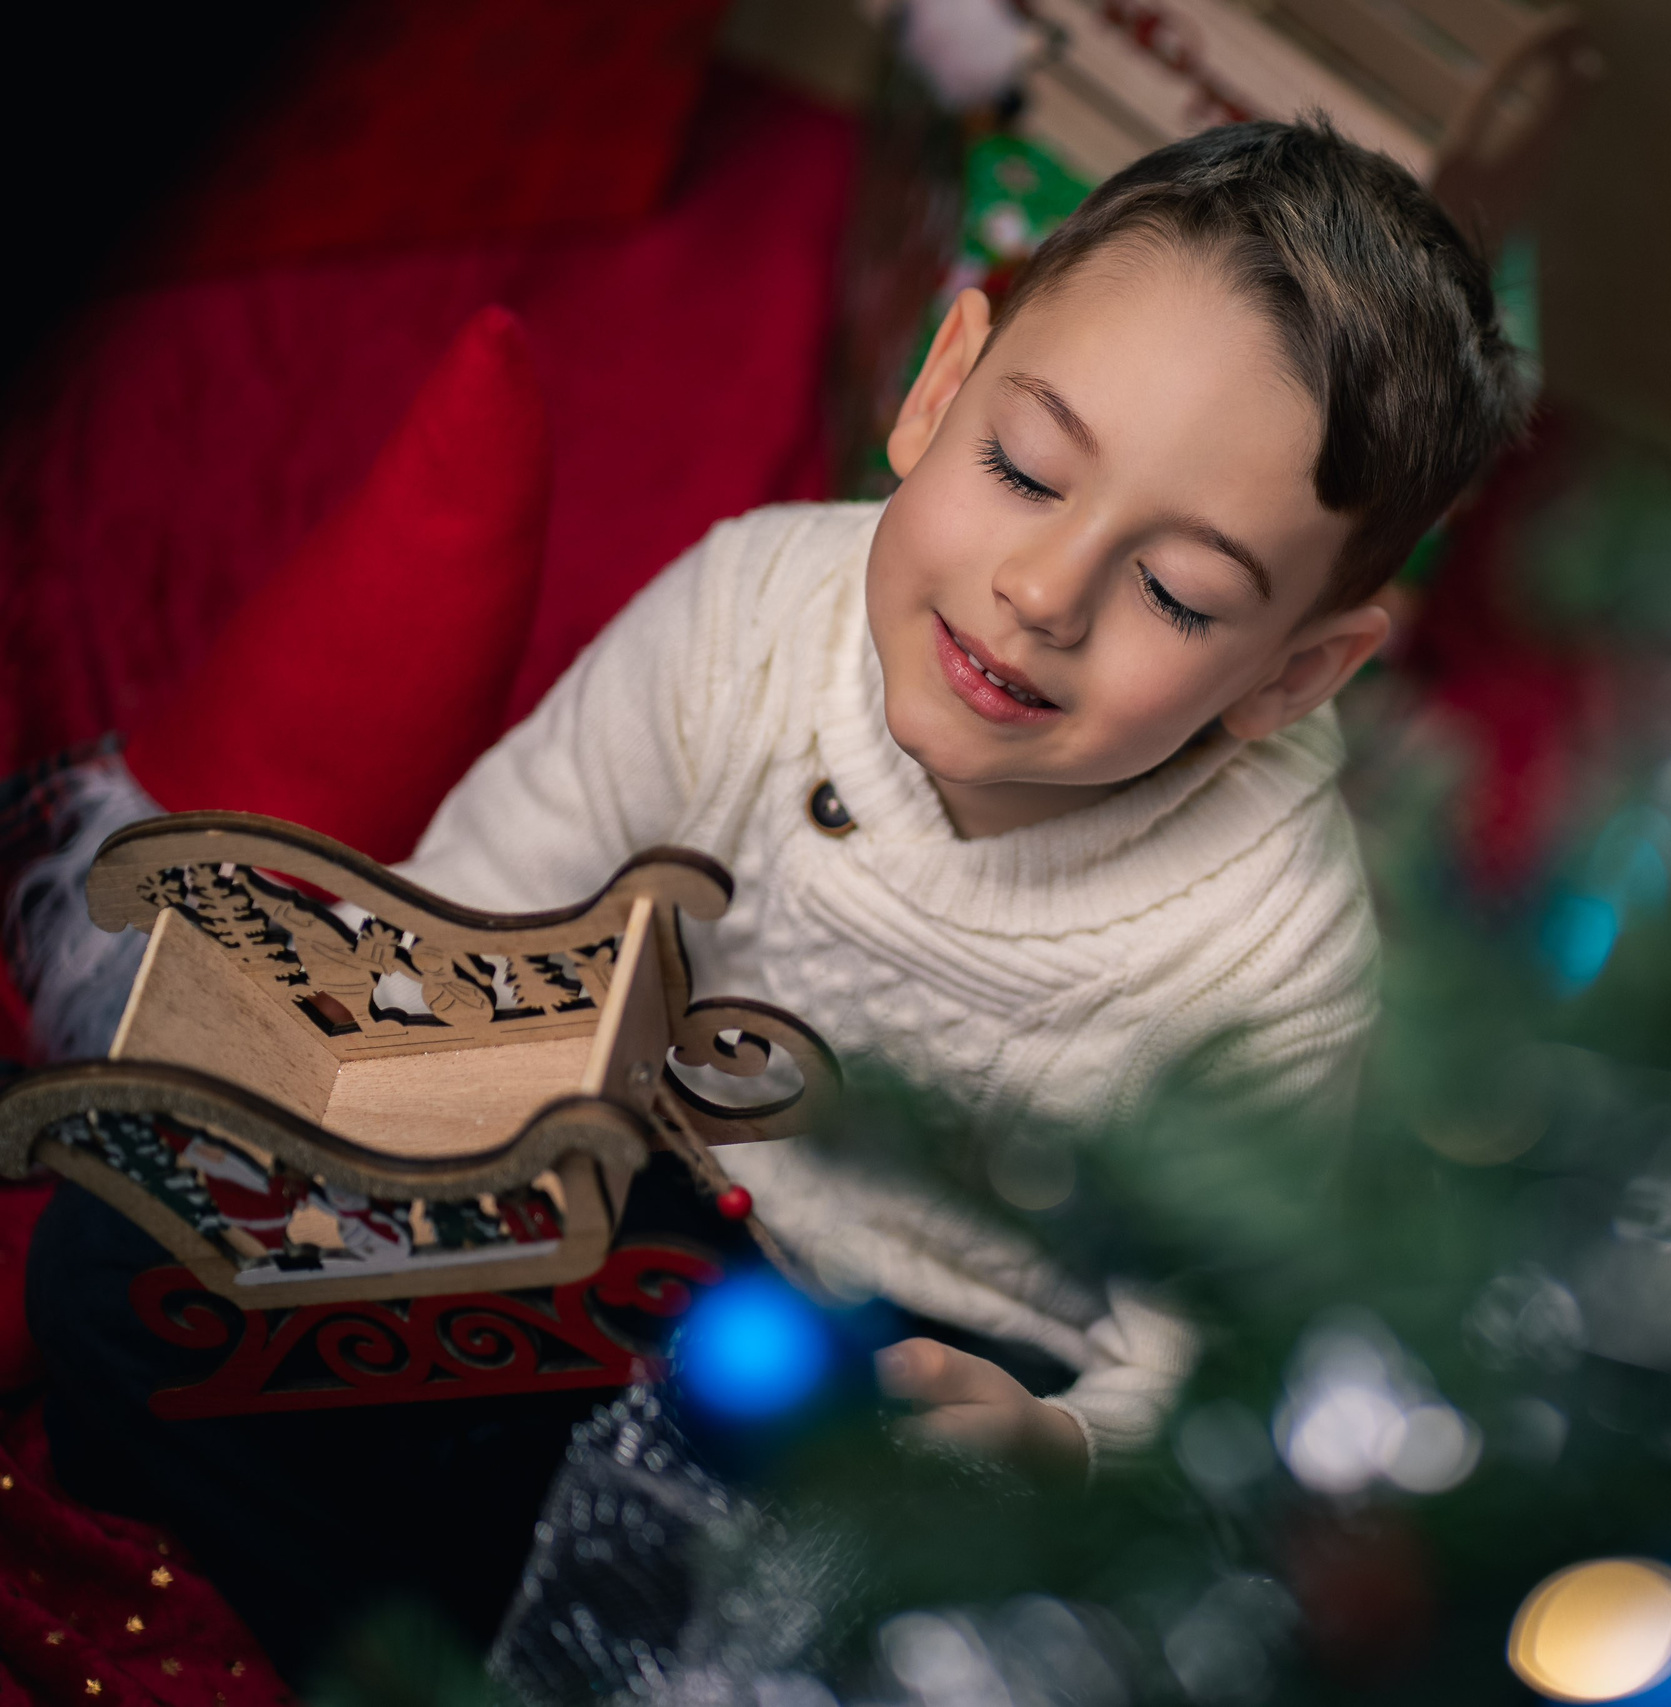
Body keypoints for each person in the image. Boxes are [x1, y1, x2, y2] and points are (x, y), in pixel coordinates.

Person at [17, 116, 1526, 1667]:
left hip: (904, 1393)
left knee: (929, 1624)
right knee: (119, 1268)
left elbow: (1204, 1352)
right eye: (1024, 469)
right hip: (611, 1206)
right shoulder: (751, 606)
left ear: (1294, 675)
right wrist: (352, 1134)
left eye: (1176, 594)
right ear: (940, 388)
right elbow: (483, 912)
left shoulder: (1275, 943)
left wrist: (1049, 1448)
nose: (1044, 592)